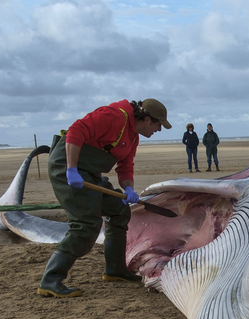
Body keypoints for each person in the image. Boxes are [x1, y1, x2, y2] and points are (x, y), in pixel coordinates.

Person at [38, 98, 171, 298]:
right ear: (146, 118)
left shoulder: (133, 137)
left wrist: (128, 188)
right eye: (158, 124)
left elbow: (125, 165)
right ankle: (50, 280)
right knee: (86, 224)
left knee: (118, 209)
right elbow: (76, 131)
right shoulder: (115, 116)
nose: (159, 130)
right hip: (67, 168)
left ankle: (115, 270)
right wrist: (72, 169)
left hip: (90, 173)